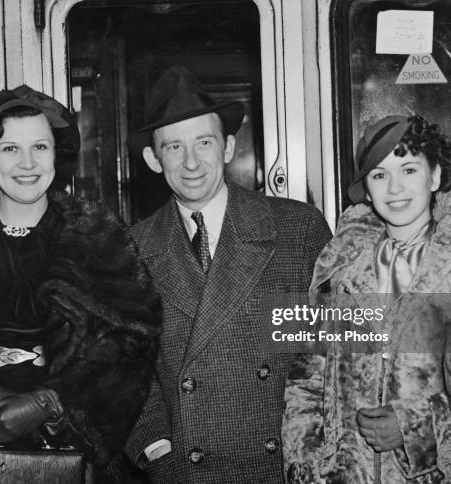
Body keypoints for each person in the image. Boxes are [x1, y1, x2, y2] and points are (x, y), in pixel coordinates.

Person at [0, 85, 161, 481]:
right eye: (9, 148)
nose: (26, 163)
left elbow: (134, 341)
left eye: (40, 147)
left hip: (68, 457)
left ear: (58, 154)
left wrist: (53, 401)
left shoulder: (98, 235)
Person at [123, 65, 331, 483]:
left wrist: (311, 448)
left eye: (204, 142)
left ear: (229, 147)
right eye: (174, 147)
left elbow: (333, 351)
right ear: (152, 158)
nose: (192, 162)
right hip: (186, 468)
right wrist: (156, 447)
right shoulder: (131, 248)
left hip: (284, 465)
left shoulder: (298, 228)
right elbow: (123, 368)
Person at [282, 114, 451, 483]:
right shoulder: (340, 267)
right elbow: (308, 379)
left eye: (408, 169)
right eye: (379, 175)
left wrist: (418, 431)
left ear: (434, 176)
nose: (395, 188)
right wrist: (308, 465)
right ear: (367, 190)